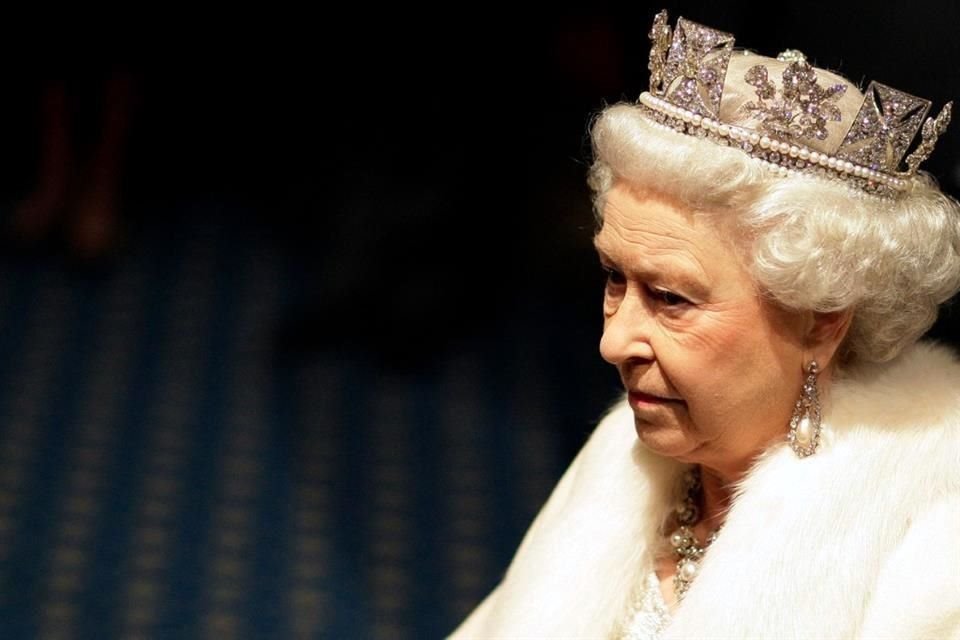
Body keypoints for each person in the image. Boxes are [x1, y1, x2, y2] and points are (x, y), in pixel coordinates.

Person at [450, 10, 960, 639]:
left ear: (823, 322)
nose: (613, 341)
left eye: (670, 298)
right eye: (615, 278)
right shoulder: (624, 455)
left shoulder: (936, 544)